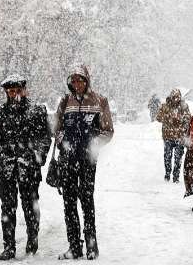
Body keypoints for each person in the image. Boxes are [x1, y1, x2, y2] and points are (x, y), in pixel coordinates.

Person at [0, 74, 51, 260]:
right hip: (6, 169)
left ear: (24, 90)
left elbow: (45, 138)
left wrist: (37, 158)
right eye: (10, 91)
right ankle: (9, 246)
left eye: (17, 90)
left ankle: (32, 238)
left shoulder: (37, 111)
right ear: (6, 92)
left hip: (29, 168)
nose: (14, 94)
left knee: (30, 206)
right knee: (7, 208)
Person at [54, 64, 114, 260]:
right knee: (69, 203)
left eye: (80, 79)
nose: (77, 83)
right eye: (74, 80)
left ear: (87, 80)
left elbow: (108, 131)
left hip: (88, 161)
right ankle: (74, 246)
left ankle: (91, 246)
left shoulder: (99, 101)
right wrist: (63, 139)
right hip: (67, 161)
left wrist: (93, 144)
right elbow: (57, 128)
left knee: (87, 201)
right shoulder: (65, 102)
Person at [156, 89, 191, 183]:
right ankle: (167, 174)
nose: (176, 99)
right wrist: (168, 117)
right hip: (168, 136)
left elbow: (188, 118)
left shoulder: (184, 106)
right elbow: (158, 117)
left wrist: (181, 119)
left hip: (179, 137)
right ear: (171, 97)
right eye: (174, 97)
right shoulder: (165, 106)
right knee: (167, 156)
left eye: (178, 97)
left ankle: (176, 176)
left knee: (178, 158)